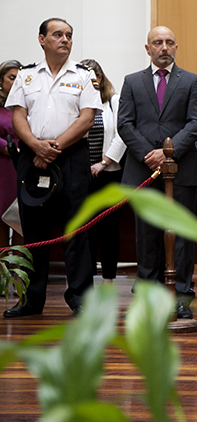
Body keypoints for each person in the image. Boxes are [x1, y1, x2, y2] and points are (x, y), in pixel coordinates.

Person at [3, 18, 102, 317]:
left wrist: (53, 147)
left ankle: (82, 300)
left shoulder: (83, 76)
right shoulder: (27, 76)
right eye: (58, 34)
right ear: (41, 39)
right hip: (31, 158)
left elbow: (86, 119)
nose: (65, 40)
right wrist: (35, 145)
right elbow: (18, 115)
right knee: (34, 232)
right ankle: (31, 301)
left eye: (69, 35)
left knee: (77, 231)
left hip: (71, 157)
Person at [117, 26, 197, 319]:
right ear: (148, 48)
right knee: (146, 235)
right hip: (141, 170)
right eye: (158, 42)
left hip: (181, 171)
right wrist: (149, 155)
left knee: (181, 236)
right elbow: (125, 124)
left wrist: (167, 153)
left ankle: (181, 297)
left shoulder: (192, 81)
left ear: (176, 47)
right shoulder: (132, 82)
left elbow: (196, 123)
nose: (164, 47)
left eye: (169, 42)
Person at [79, 59, 127, 284]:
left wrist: (104, 162)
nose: (92, 82)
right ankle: (84, 279)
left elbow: (122, 133)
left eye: (95, 77)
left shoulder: (113, 101)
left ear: (101, 78)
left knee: (108, 230)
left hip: (110, 174)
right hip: (81, 174)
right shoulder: (75, 101)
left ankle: (108, 279)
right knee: (84, 229)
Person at [1, 60, 21, 248]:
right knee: (2, 215)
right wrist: (5, 147)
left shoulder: (26, 104)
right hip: (3, 166)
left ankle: (19, 271)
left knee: (20, 218)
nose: (15, 82)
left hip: (23, 165)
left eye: (18, 78)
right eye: (11, 78)